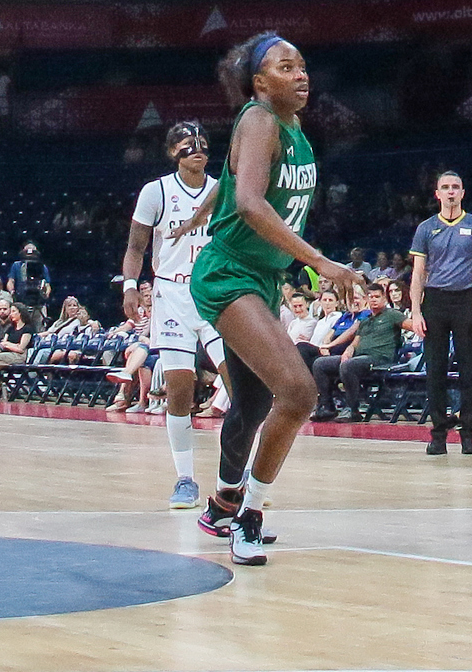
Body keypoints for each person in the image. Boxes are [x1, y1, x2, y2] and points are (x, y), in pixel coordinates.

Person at [186, 33, 359, 566]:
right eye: (286, 68)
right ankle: (250, 518)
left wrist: (203, 210)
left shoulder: (292, 126)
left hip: (259, 277)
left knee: (257, 401)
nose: (301, 74)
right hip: (229, 275)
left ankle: (222, 503)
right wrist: (319, 261)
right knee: (299, 392)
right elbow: (252, 203)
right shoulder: (258, 118)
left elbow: (234, 178)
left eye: (303, 65)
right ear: (259, 83)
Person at [121, 121, 225, 510]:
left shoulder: (223, 189)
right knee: (180, 387)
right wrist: (129, 286)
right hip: (172, 293)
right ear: (171, 152)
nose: (196, 148)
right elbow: (136, 246)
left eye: (202, 143)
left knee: (238, 385)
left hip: (213, 290)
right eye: (186, 143)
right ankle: (185, 478)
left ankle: (239, 472)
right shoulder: (156, 191)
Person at [406, 170, 472, 457]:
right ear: (437, 193)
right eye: (445, 187)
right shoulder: (425, 228)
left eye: (455, 187)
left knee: (470, 370)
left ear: (462, 192)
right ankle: (438, 435)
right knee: (435, 371)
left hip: (466, 300)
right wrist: (416, 311)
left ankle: (469, 433)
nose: (450, 192)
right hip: (434, 300)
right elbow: (418, 273)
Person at [311, 280, 404, 420]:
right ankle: (327, 406)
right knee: (320, 364)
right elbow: (355, 342)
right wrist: (348, 350)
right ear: (367, 299)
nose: (373, 300)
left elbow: (412, 326)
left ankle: (352, 409)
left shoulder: (393, 315)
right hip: (359, 357)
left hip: (379, 359)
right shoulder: (365, 320)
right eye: (371, 297)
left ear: (384, 298)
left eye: (377, 297)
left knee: (348, 365)